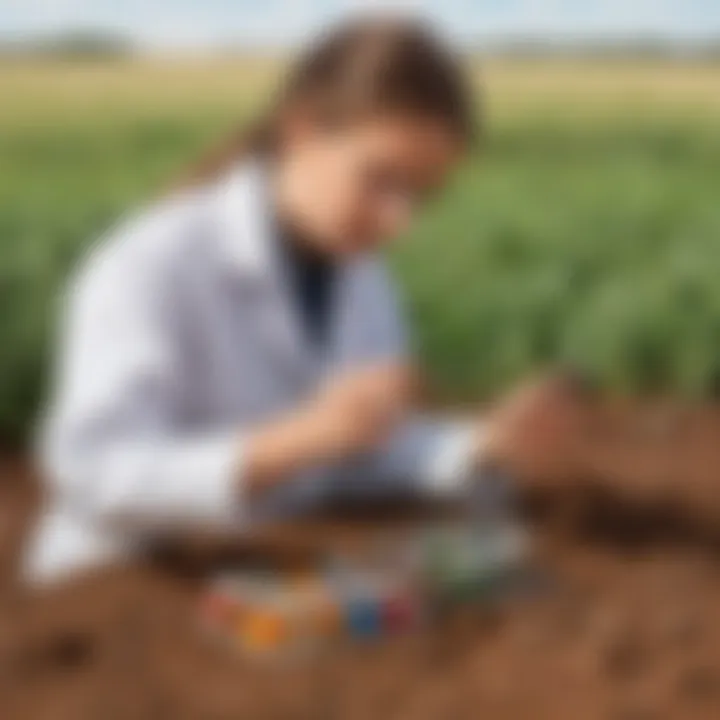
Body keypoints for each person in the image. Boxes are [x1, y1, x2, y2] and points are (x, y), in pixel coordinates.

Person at [26, 18, 582, 584]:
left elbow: (355, 451)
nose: (400, 222)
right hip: (121, 588)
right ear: (302, 131)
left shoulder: (363, 277)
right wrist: (288, 443)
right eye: (380, 181)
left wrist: (477, 445)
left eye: (422, 197)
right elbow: (90, 469)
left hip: (255, 580)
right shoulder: (149, 263)